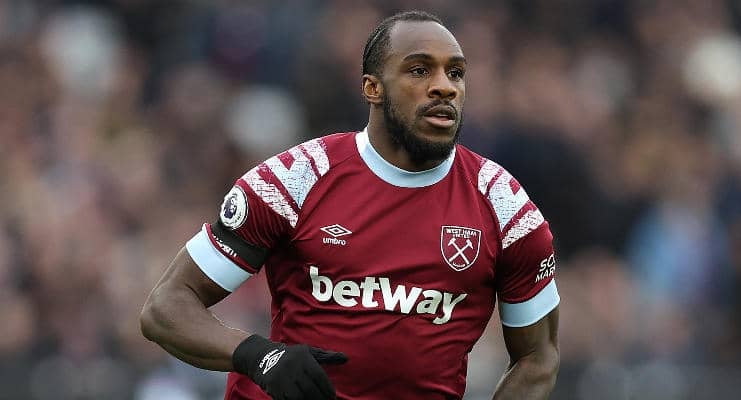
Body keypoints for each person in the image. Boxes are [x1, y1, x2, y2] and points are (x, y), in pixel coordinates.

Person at [140, 10, 560, 400]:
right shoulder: (295, 179)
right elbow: (166, 307)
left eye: (456, 73)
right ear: (372, 88)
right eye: (419, 70)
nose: (444, 86)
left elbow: (537, 357)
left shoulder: (505, 208)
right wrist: (260, 356)